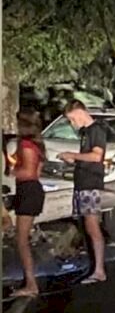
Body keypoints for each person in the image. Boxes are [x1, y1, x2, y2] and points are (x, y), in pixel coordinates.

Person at [58, 100, 108, 284]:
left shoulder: (96, 130)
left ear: (80, 112)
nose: (72, 123)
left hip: (90, 183)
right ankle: (94, 266)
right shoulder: (85, 133)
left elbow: (96, 156)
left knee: (92, 225)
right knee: (87, 225)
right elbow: (87, 157)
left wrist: (72, 155)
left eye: (72, 119)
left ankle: (99, 270)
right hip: (82, 182)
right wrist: (75, 161)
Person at [9, 109, 47, 298]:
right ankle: (29, 281)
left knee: (21, 240)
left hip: (28, 191)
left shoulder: (26, 145)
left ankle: (31, 283)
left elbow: (30, 173)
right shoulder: (37, 145)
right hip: (32, 191)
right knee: (22, 239)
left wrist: (11, 171)